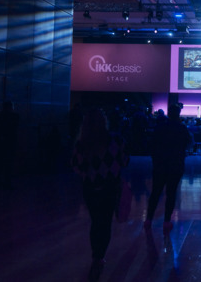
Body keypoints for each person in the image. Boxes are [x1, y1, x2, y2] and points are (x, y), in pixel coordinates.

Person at [71, 108, 126, 282]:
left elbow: (76, 167)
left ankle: (96, 256)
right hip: (110, 186)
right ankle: (100, 256)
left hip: (90, 187)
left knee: (96, 222)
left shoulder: (81, 142)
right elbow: (124, 161)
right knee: (106, 222)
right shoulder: (115, 139)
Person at [144, 104, 191, 233]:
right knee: (171, 193)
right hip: (175, 165)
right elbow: (188, 143)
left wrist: (155, 159)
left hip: (160, 164)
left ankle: (148, 219)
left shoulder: (160, 127)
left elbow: (152, 144)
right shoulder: (181, 128)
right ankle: (166, 221)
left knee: (155, 192)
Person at [0, 100, 20, 189]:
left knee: (0, 162)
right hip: (11, 142)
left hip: (1, 142)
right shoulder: (15, 116)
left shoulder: (0, 116)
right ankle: (7, 181)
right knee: (9, 163)